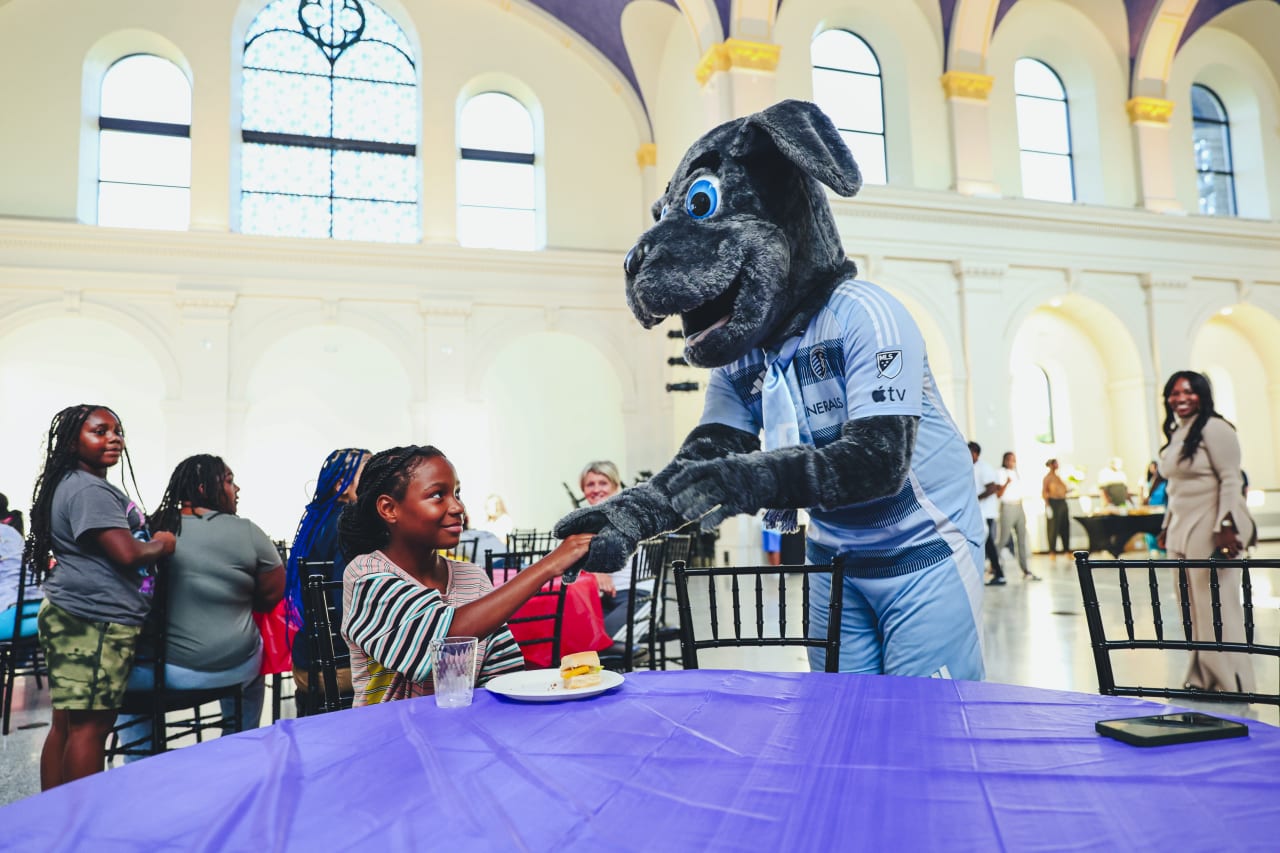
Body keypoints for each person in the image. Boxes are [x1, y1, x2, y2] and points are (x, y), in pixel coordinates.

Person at [338, 446, 592, 705]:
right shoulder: (366, 576)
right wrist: (548, 565)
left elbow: (501, 674)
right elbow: (438, 641)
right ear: (389, 508)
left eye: (457, 493)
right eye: (438, 495)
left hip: (463, 732)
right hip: (390, 736)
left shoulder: (473, 577)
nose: (458, 507)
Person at [25, 405, 176, 790]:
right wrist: (162, 543)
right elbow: (127, 553)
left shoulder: (79, 483)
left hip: (79, 615)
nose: (113, 438)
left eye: (117, 431)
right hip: (92, 619)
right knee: (91, 728)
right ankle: (83, 826)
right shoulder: (89, 488)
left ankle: (57, 820)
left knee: (69, 723)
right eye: (99, 431)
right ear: (74, 441)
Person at [116, 454, 284, 757]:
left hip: (163, 672)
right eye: (230, 481)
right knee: (254, 660)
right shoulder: (247, 530)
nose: (237, 489)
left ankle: (138, 759)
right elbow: (273, 595)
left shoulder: (152, 529)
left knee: (119, 675)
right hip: (235, 668)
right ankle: (241, 745)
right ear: (205, 488)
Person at [1157, 371, 1257, 694]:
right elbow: (1174, 487)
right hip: (1180, 529)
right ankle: (1202, 677)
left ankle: (1231, 683)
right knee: (1189, 605)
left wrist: (1225, 526)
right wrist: (1165, 526)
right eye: (1174, 393)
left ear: (1202, 394)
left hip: (1210, 525)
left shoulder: (1216, 428)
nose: (1181, 398)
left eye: (1188, 391)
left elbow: (1231, 479)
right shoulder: (1178, 432)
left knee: (1215, 603)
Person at [285, 448, 370, 713]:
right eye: (367, 472)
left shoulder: (317, 521)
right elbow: (348, 606)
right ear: (340, 486)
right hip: (338, 664)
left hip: (307, 657)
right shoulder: (348, 525)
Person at [579, 461, 642, 637]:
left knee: (600, 641)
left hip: (638, 597)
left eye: (603, 483)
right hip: (604, 599)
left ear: (615, 486)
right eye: (590, 484)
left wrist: (596, 570)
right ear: (583, 490)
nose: (596, 489)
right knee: (579, 638)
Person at [996, 452, 1039, 581]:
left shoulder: (1017, 473)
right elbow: (999, 494)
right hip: (1008, 506)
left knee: (1021, 539)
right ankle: (994, 565)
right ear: (1004, 460)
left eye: (1013, 460)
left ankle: (1025, 570)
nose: (1012, 462)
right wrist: (1006, 483)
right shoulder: (1000, 473)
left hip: (1019, 506)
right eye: (1009, 460)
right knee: (1003, 539)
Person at [969, 442, 1003, 585]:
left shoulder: (984, 468)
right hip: (980, 512)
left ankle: (999, 574)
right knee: (986, 544)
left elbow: (993, 488)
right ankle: (995, 572)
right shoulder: (972, 467)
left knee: (988, 544)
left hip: (986, 512)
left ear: (976, 453)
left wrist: (975, 499)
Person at [1042, 458, 1070, 557]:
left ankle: (1066, 550)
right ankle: (1052, 551)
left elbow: (1064, 489)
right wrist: (1048, 506)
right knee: (1053, 528)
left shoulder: (1058, 477)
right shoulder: (1048, 478)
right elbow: (1044, 492)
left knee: (1065, 526)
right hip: (1053, 503)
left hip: (1062, 502)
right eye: (1055, 464)